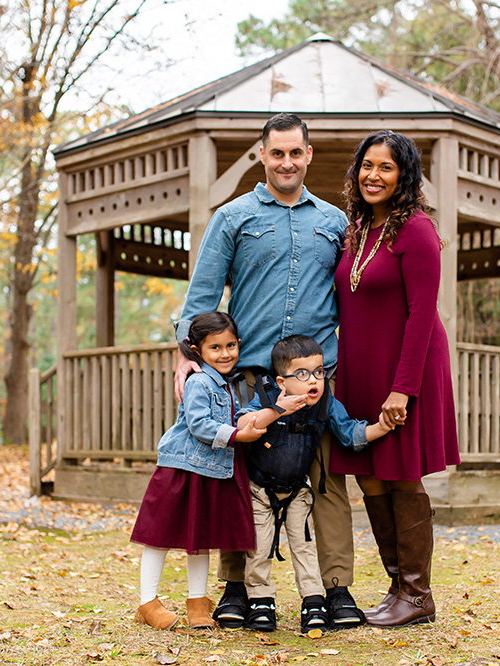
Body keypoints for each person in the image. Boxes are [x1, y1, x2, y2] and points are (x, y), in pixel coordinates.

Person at [172, 113, 367, 629]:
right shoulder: (232, 217)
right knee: (241, 481)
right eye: (276, 153)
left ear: (309, 154)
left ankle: (336, 589)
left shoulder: (335, 223)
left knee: (325, 482)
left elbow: (357, 299)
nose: (286, 162)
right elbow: (200, 301)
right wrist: (188, 362)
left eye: (295, 153)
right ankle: (237, 589)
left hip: (315, 379)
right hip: (250, 380)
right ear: (263, 154)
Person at [330, 130, 460, 627]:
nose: (373, 175)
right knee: (369, 473)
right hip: (362, 367)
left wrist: (403, 388)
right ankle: (396, 587)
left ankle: (417, 593)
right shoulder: (357, 229)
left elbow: (423, 314)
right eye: (367, 165)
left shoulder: (417, 231)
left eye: (386, 167)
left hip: (407, 365)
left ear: (404, 176)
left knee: (401, 474)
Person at [233, 335, 396, 632]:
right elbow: (243, 423)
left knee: (304, 546)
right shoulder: (268, 395)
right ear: (282, 381)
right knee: (258, 547)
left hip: (297, 492)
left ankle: (313, 600)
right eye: (303, 374)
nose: (315, 380)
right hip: (260, 491)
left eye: (319, 372)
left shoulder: (326, 403)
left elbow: (348, 433)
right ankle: (260, 600)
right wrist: (277, 409)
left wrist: (379, 428)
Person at [130, 312, 268, 631]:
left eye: (230, 345)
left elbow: (233, 415)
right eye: (215, 348)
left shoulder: (228, 384)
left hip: (209, 471)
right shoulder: (199, 381)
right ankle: (147, 601)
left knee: (200, 537)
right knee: (159, 536)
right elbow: (199, 424)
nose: (225, 353)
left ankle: (197, 602)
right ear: (198, 351)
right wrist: (236, 435)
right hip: (181, 468)